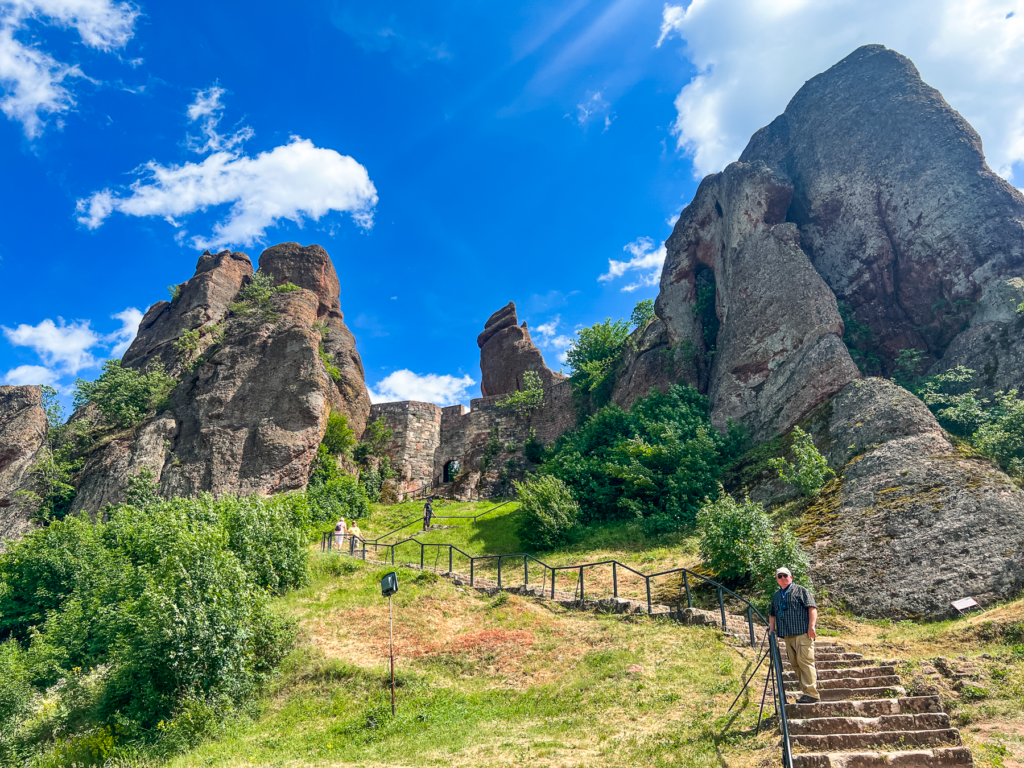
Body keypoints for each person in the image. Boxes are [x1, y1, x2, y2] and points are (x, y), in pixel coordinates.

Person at [768, 566, 820, 705]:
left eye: (785, 575)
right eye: (780, 576)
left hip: (803, 633)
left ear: (791, 577)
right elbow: (772, 613)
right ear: (777, 579)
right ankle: (806, 692)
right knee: (795, 664)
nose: (783, 578)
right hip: (787, 635)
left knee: (805, 661)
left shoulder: (801, 590)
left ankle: (812, 693)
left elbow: (812, 608)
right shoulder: (776, 595)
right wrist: (772, 629)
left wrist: (811, 627)